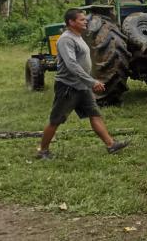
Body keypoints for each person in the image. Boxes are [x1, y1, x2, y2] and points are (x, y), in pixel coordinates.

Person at [36, 9, 129, 159]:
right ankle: (43, 151)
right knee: (55, 120)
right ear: (71, 22)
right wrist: (91, 81)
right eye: (81, 20)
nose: (85, 21)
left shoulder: (78, 37)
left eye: (85, 19)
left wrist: (87, 83)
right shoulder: (66, 39)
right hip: (68, 87)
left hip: (82, 87)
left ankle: (111, 145)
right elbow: (72, 65)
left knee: (95, 114)